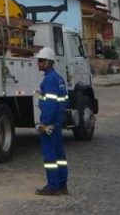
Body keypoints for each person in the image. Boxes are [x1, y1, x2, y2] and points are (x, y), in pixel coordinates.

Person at [35, 46, 69, 196]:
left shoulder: (49, 80)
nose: (38, 63)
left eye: (41, 61)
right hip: (57, 122)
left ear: (48, 62)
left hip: (50, 123)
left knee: (50, 156)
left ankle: (52, 186)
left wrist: (44, 123)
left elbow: (50, 104)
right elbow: (63, 102)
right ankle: (62, 184)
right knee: (60, 156)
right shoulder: (59, 79)